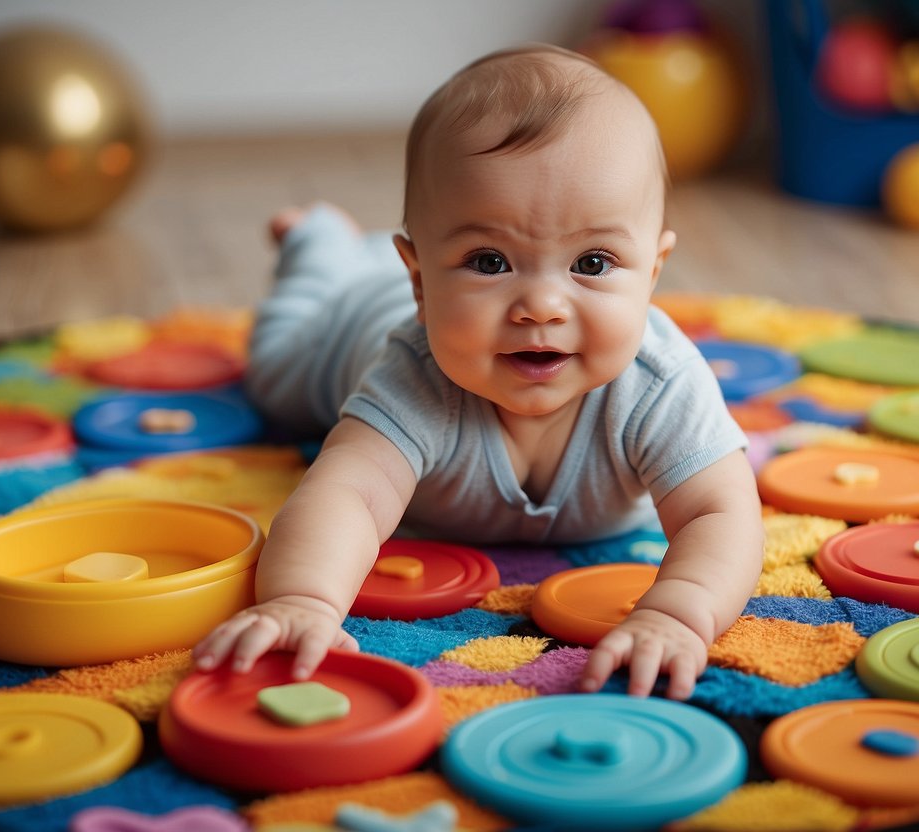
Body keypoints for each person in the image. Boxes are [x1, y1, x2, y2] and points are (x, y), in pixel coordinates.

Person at [193, 44, 764, 700]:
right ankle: (318, 247)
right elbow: (344, 495)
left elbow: (721, 514)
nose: (542, 307)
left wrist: (676, 614)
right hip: (351, 323)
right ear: (420, 279)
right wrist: (300, 600)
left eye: (593, 262)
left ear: (653, 273)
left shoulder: (657, 384)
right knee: (273, 376)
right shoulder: (414, 377)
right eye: (489, 262)